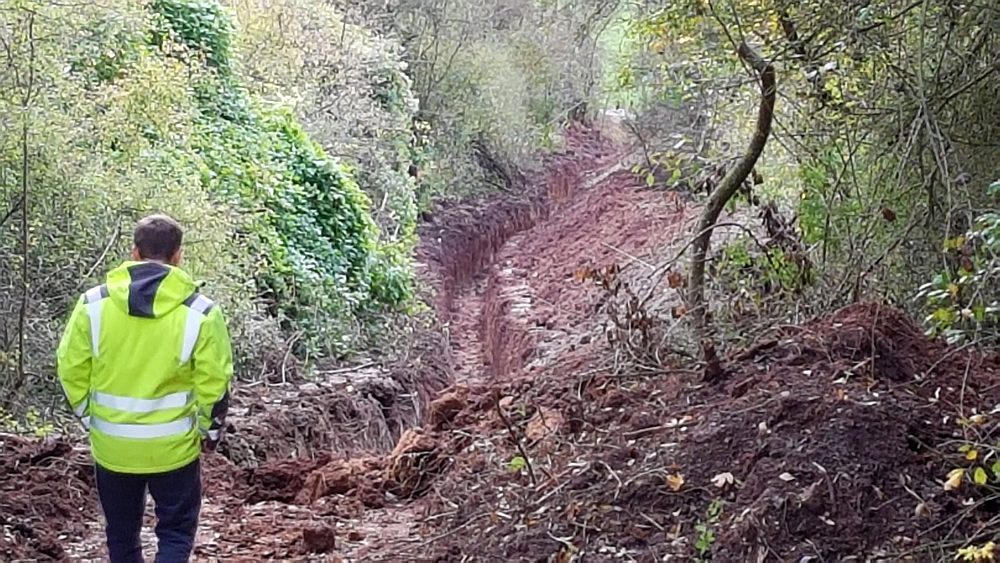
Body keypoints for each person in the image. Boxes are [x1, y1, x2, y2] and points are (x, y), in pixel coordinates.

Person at [56, 214, 234, 563]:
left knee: (121, 536)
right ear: (178, 255)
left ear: (133, 252)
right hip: (175, 449)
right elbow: (215, 385)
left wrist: (91, 419)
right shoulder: (201, 313)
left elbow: (69, 369)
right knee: (175, 534)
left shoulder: (92, 305)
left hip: (113, 447)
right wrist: (209, 434)